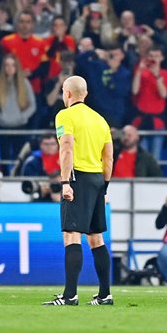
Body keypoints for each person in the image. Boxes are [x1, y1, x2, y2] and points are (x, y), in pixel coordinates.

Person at [43, 76, 113, 306]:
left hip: (77, 178)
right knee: (96, 238)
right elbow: (109, 157)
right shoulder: (100, 120)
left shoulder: (65, 115)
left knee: (71, 235)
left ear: (68, 94)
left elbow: (66, 147)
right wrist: (104, 186)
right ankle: (105, 294)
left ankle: (70, 295)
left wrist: (65, 182)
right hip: (97, 180)